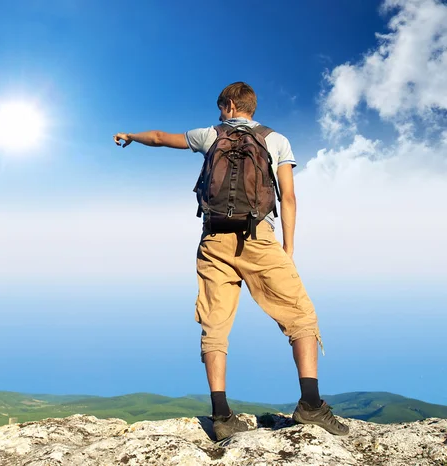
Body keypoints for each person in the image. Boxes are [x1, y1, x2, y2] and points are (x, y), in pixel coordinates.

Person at [113, 82, 349, 440]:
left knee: (215, 323)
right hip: (258, 238)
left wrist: (131, 135)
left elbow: (161, 137)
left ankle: (221, 415)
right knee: (300, 315)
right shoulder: (276, 140)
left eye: (220, 106)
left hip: (213, 239)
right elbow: (289, 196)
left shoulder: (210, 135)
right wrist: (288, 247)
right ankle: (311, 406)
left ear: (230, 105)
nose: (218, 112)